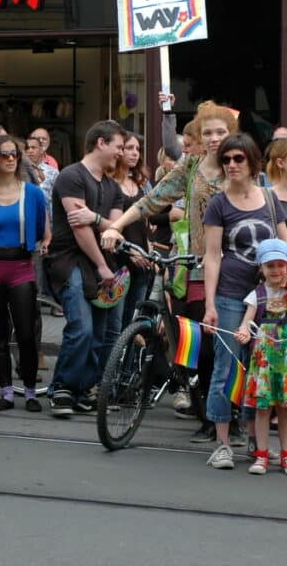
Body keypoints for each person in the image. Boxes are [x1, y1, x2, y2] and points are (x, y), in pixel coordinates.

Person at [102, 102, 236, 443]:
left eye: (221, 132)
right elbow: (154, 200)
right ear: (199, 137)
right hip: (193, 269)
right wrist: (116, 226)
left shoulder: (240, 166)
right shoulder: (191, 167)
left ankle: (232, 419)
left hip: (233, 269)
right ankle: (211, 416)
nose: (215, 138)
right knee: (201, 348)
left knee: (229, 348)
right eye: (208, 133)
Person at [200, 135, 287, 470]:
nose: (232, 165)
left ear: (253, 162)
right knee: (226, 368)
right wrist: (210, 304)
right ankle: (223, 443)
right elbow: (212, 256)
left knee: (263, 369)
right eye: (226, 160)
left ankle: (259, 444)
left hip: (268, 299)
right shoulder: (218, 203)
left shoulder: (269, 198)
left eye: (239, 158)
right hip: (229, 293)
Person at [46, 120, 126, 416]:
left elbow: (115, 229)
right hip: (71, 260)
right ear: (101, 143)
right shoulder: (71, 176)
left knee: (100, 333)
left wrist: (95, 219)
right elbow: (80, 230)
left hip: (103, 263)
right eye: (118, 146)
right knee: (81, 327)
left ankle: (83, 389)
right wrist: (103, 264)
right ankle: (62, 389)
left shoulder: (113, 187)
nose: (120, 152)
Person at [0, 135, 49, 411]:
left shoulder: (33, 193)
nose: (9, 159)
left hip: (21, 266)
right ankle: (5, 391)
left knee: (27, 333)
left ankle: (29, 391)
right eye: (3, 154)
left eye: (14, 154)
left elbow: (40, 228)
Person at [235, 239, 287, 475]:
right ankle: (262, 455)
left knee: (286, 409)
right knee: (263, 409)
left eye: (280, 265)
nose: (276, 270)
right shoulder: (257, 293)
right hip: (264, 358)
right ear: (261, 268)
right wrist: (244, 331)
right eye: (270, 266)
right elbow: (248, 318)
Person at [108, 132, 151, 329]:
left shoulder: (139, 184)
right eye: (129, 148)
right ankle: (114, 360)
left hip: (141, 257)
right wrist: (130, 250)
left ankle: (131, 360)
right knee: (116, 323)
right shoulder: (110, 184)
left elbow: (145, 223)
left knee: (134, 322)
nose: (134, 153)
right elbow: (111, 224)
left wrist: (149, 251)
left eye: (137, 149)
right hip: (120, 258)